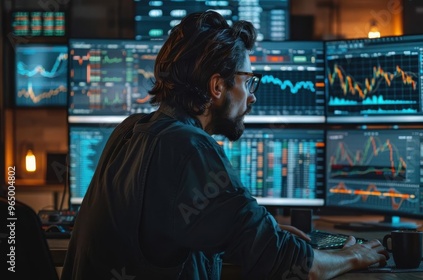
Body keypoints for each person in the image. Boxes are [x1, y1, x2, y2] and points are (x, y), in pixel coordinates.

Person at [61, 11, 389, 280]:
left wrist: (261, 231)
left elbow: (174, 226)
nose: (252, 95)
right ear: (217, 86)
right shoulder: (189, 148)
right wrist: (354, 255)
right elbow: (300, 267)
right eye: (248, 81)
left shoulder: (132, 129)